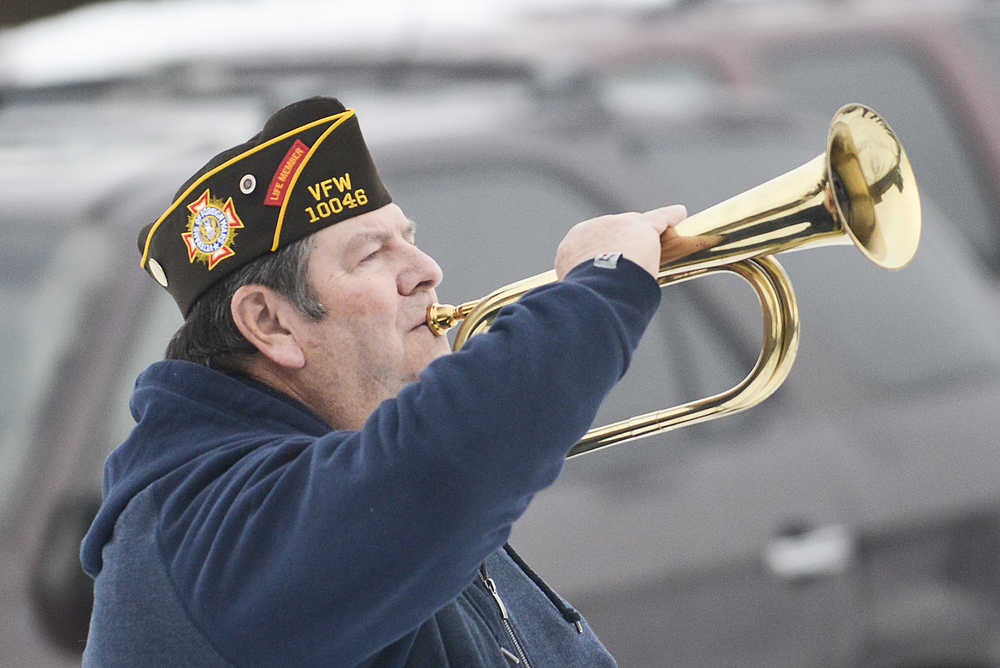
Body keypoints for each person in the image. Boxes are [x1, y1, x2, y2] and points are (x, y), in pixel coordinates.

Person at [80, 96, 687, 667]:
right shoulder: (213, 527)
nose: (426, 271)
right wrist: (603, 284)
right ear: (270, 322)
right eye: (372, 255)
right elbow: (448, 459)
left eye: (411, 240)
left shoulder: (347, 469)